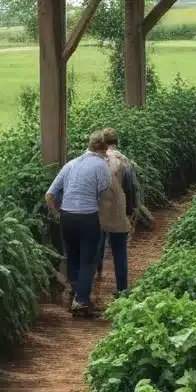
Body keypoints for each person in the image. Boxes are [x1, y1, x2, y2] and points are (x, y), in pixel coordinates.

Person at [45, 132, 112, 315]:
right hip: (87, 216)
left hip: (67, 217)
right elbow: (103, 192)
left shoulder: (70, 164)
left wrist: (57, 214)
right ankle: (82, 301)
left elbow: (49, 195)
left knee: (72, 257)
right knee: (88, 259)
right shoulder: (101, 166)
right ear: (104, 148)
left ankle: (75, 294)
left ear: (89, 146)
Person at [96, 127, 139, 295]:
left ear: (103, 143)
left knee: (97, 245)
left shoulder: (98, 160)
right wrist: (132, 210)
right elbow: (131, 188)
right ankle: (122, 288)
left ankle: (96, 276)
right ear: (117, 142)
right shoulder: (124, 161)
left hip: (98, 211)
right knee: (119, 251)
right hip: (118, 211)